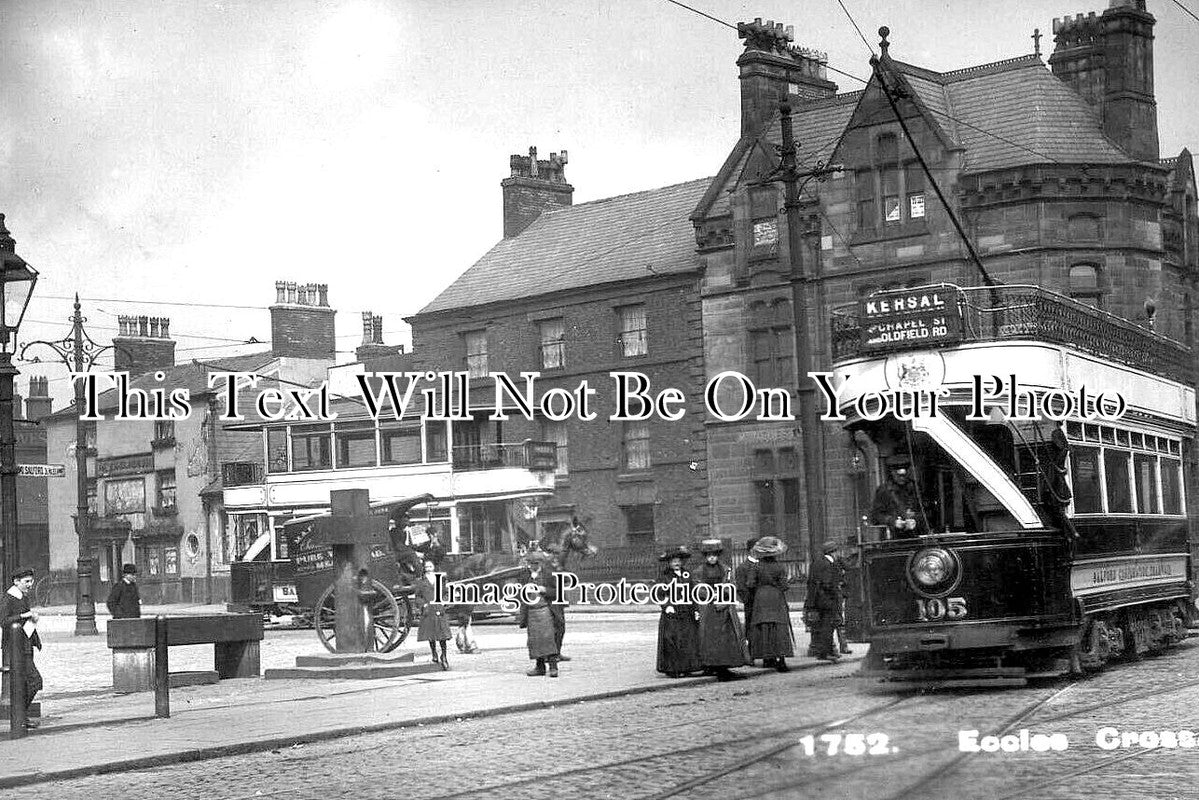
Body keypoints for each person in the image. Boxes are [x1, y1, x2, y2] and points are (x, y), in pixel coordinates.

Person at [696, 540, 749, 681]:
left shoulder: (726, 569)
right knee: (709, 637)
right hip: (708, 608)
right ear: (705, 556)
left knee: (726, 636)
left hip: (724, 607)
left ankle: (724, 665)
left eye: (714, 555)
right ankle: (710, 665)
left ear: (718, 555)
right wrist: (709, 595)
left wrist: (722, 596)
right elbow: (697, 587)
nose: (712, 558)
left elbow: (730, 585)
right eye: (709, 555)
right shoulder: (700, 571)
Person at [1, 568, 43, 728]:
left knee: (27, 682)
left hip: (25, 646)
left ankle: (21, 716)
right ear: (16, 582)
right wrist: (24, 616)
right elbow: (3, 621)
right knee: (34, 681)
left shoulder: (22, 597)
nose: (30, 584)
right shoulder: (9, 598)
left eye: (31, 581)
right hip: (15, 648)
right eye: (26, 581)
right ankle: (19, 714)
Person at [746, 537, 794, 672]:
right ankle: (781, 660)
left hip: (761, 598)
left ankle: (767, 658)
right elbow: (784, 586)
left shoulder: (756, 566)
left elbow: (750, 583)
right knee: (778, 627)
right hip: (776, 597)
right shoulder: (780, 566)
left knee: (764, 626)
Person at [655, 546, 702, 678]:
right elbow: (659, 594)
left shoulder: (687, 575)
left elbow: (692, 593)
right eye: (673, 561)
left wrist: (696, 610)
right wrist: (667, 606)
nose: (676, 563)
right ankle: (673, 669)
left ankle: (687, 667)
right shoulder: (664, 577)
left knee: (688, 639)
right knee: (672, 640)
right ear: (669, 563)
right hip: (672, 613)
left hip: (686, 611)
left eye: (678, 561)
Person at [517, 551, 560, 677]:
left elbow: (558, 592)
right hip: (531, 612)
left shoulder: (549, 574)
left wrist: (544, 590)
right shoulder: (525, 576)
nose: (532, 566)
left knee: (548, 639)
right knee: (535, 641)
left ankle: (553, 667)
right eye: (530, 563)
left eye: (535, 563)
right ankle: (539, 667)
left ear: (541, 563)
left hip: (545, 611)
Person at [805, 540, 845, 662]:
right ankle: (824, 652)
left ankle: (825, 651)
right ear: (833, 552)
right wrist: (836, 592)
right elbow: (827, 583)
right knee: (828, 626)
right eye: (837, 551)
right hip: (828, 600)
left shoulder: (816, 563)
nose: (838, 554)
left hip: (817, 600)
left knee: (823, 626)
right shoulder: (828, 564)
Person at [412, 560, 450, 669]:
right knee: (431, 634)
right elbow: (418, 596)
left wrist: (444, 601)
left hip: (438, 609)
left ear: (433, 567)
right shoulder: (421, 582)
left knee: (443, 635)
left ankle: (444, 656)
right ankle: (434, 653)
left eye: (430, 566)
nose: (428, 569)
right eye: (427, 567)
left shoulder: (439, 579)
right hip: (428, 610)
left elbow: (446, 592)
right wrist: (423, 605)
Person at [869, 464, 922, 539]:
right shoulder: (884, 490)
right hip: (892, 538)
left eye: (904, 475)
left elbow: (926, 512)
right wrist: (892, 521)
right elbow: (875, 516)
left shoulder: (915, 488)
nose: (902, 478)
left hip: (915, 536)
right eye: (899, 475)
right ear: (893, 473)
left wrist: (915, 521)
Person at [733, 536, 759, 662]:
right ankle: (750, 655)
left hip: (763, 604)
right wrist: (749, 600)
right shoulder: (742, 568)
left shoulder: (762, 565)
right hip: (751, 603)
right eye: (755, 548)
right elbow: (741, 588)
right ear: (750, 550)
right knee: (751, 629)